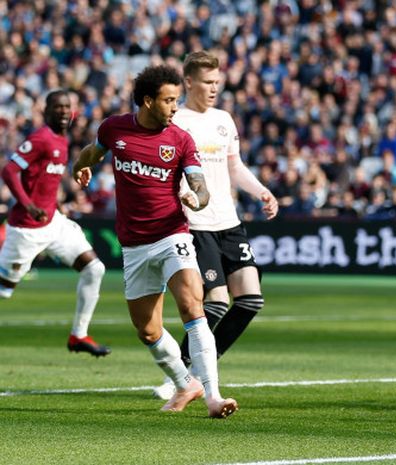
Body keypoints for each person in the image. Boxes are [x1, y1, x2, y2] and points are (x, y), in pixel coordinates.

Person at [71, 65, 237, 418]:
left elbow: (200, 184)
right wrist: (79, 166)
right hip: (133, 245)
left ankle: (213, 397)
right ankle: (184, 384)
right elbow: (94, 151)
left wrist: (198, 198)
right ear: (148, 101)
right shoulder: (114, 128)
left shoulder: (180, 139)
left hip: (172, 234)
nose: (175, 107)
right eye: (169, 100)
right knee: (147, 331)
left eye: (177, 99)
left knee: (193, 306)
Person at [152, 51, 279, 399]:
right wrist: (181, 194)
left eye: (217, 83)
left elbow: (234, 167)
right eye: (208, 83)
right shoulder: (177, 122)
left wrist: (262, 191)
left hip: (230, 222)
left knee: (251, 299)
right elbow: (169, 169)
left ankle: (202, 364)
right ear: (189, 82)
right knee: (217, 302)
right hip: (196, 223)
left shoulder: (224, 119)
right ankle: (179, 375)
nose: (213, 89)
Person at [0, 90, 110, 357]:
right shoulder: (40, 138)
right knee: (4, 291)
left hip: (54, 223)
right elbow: (9, 171)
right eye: (58, 107)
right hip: (26, 229)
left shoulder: (63, 139)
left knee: (94, 269)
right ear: (47, 110)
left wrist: (55, 205)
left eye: (67, 107)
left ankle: (79, 335)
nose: (63, 111)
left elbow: (45, 181)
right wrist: (28, 205)